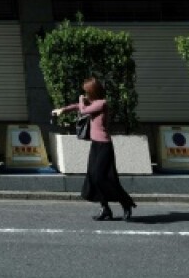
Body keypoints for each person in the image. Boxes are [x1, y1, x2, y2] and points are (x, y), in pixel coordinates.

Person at [51, 76, 137, 222]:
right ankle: (105, 209)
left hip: (104, 145)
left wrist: (80, 99)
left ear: (93, 90)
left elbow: (83, 110)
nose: (85, 93)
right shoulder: (93, 102)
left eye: (86, 91)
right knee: (93, 177)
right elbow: (78, 107)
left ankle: (126, 203)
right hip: (95, 145)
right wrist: (62, 110)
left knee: (102, 177)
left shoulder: (102, 103)